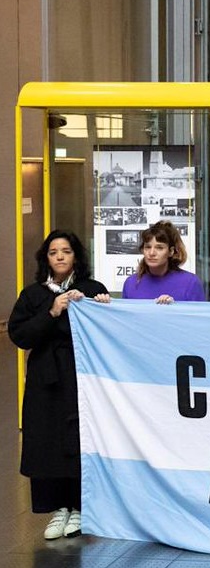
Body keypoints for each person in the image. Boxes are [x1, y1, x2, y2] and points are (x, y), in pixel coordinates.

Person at [8, 231, 110, 540]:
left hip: (80, 376)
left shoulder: (91, 289)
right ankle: (57, 509)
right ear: (46, 258)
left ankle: (80, 505)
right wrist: (53, 311)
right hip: (45, 378)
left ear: (76, 255)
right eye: (54, 252)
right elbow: (20, 335)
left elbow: (108, 333)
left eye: (66, 251)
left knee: (79, 437)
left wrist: (102, 306)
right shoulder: (32, 294)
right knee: (46, 440)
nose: (60, 256)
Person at [122, 220, 205, 303]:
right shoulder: (131, 283)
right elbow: (124, 315)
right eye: (148, 247)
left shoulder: (190, 283)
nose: (152, 253)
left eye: (159, 248)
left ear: (171, 251)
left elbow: (199, 315)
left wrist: (175, 308)